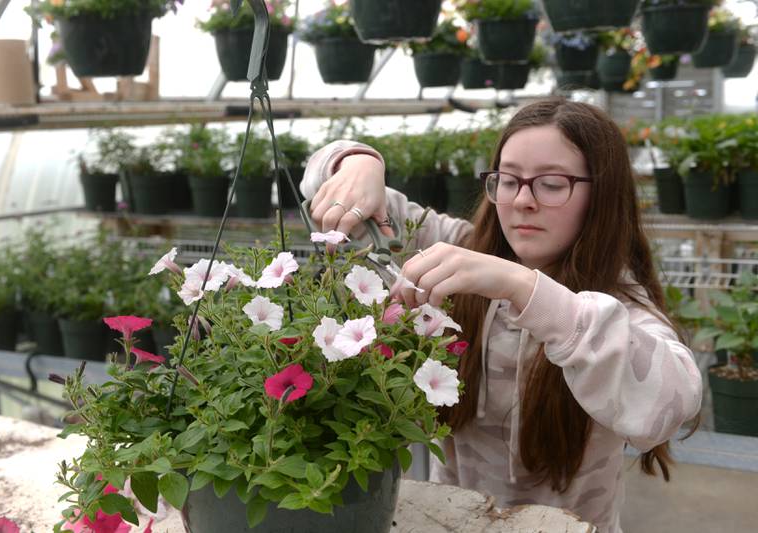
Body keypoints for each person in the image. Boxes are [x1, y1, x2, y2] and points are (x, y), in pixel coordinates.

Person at [300, 97, 703, 533]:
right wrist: (360, 164)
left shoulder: (618, 304)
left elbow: (670, 406)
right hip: (452, 521)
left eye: (551, 184)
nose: (522, 201)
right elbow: (327, 180)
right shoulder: (455, 249)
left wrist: (522, 287)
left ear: (601, 194)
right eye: (508, 180)